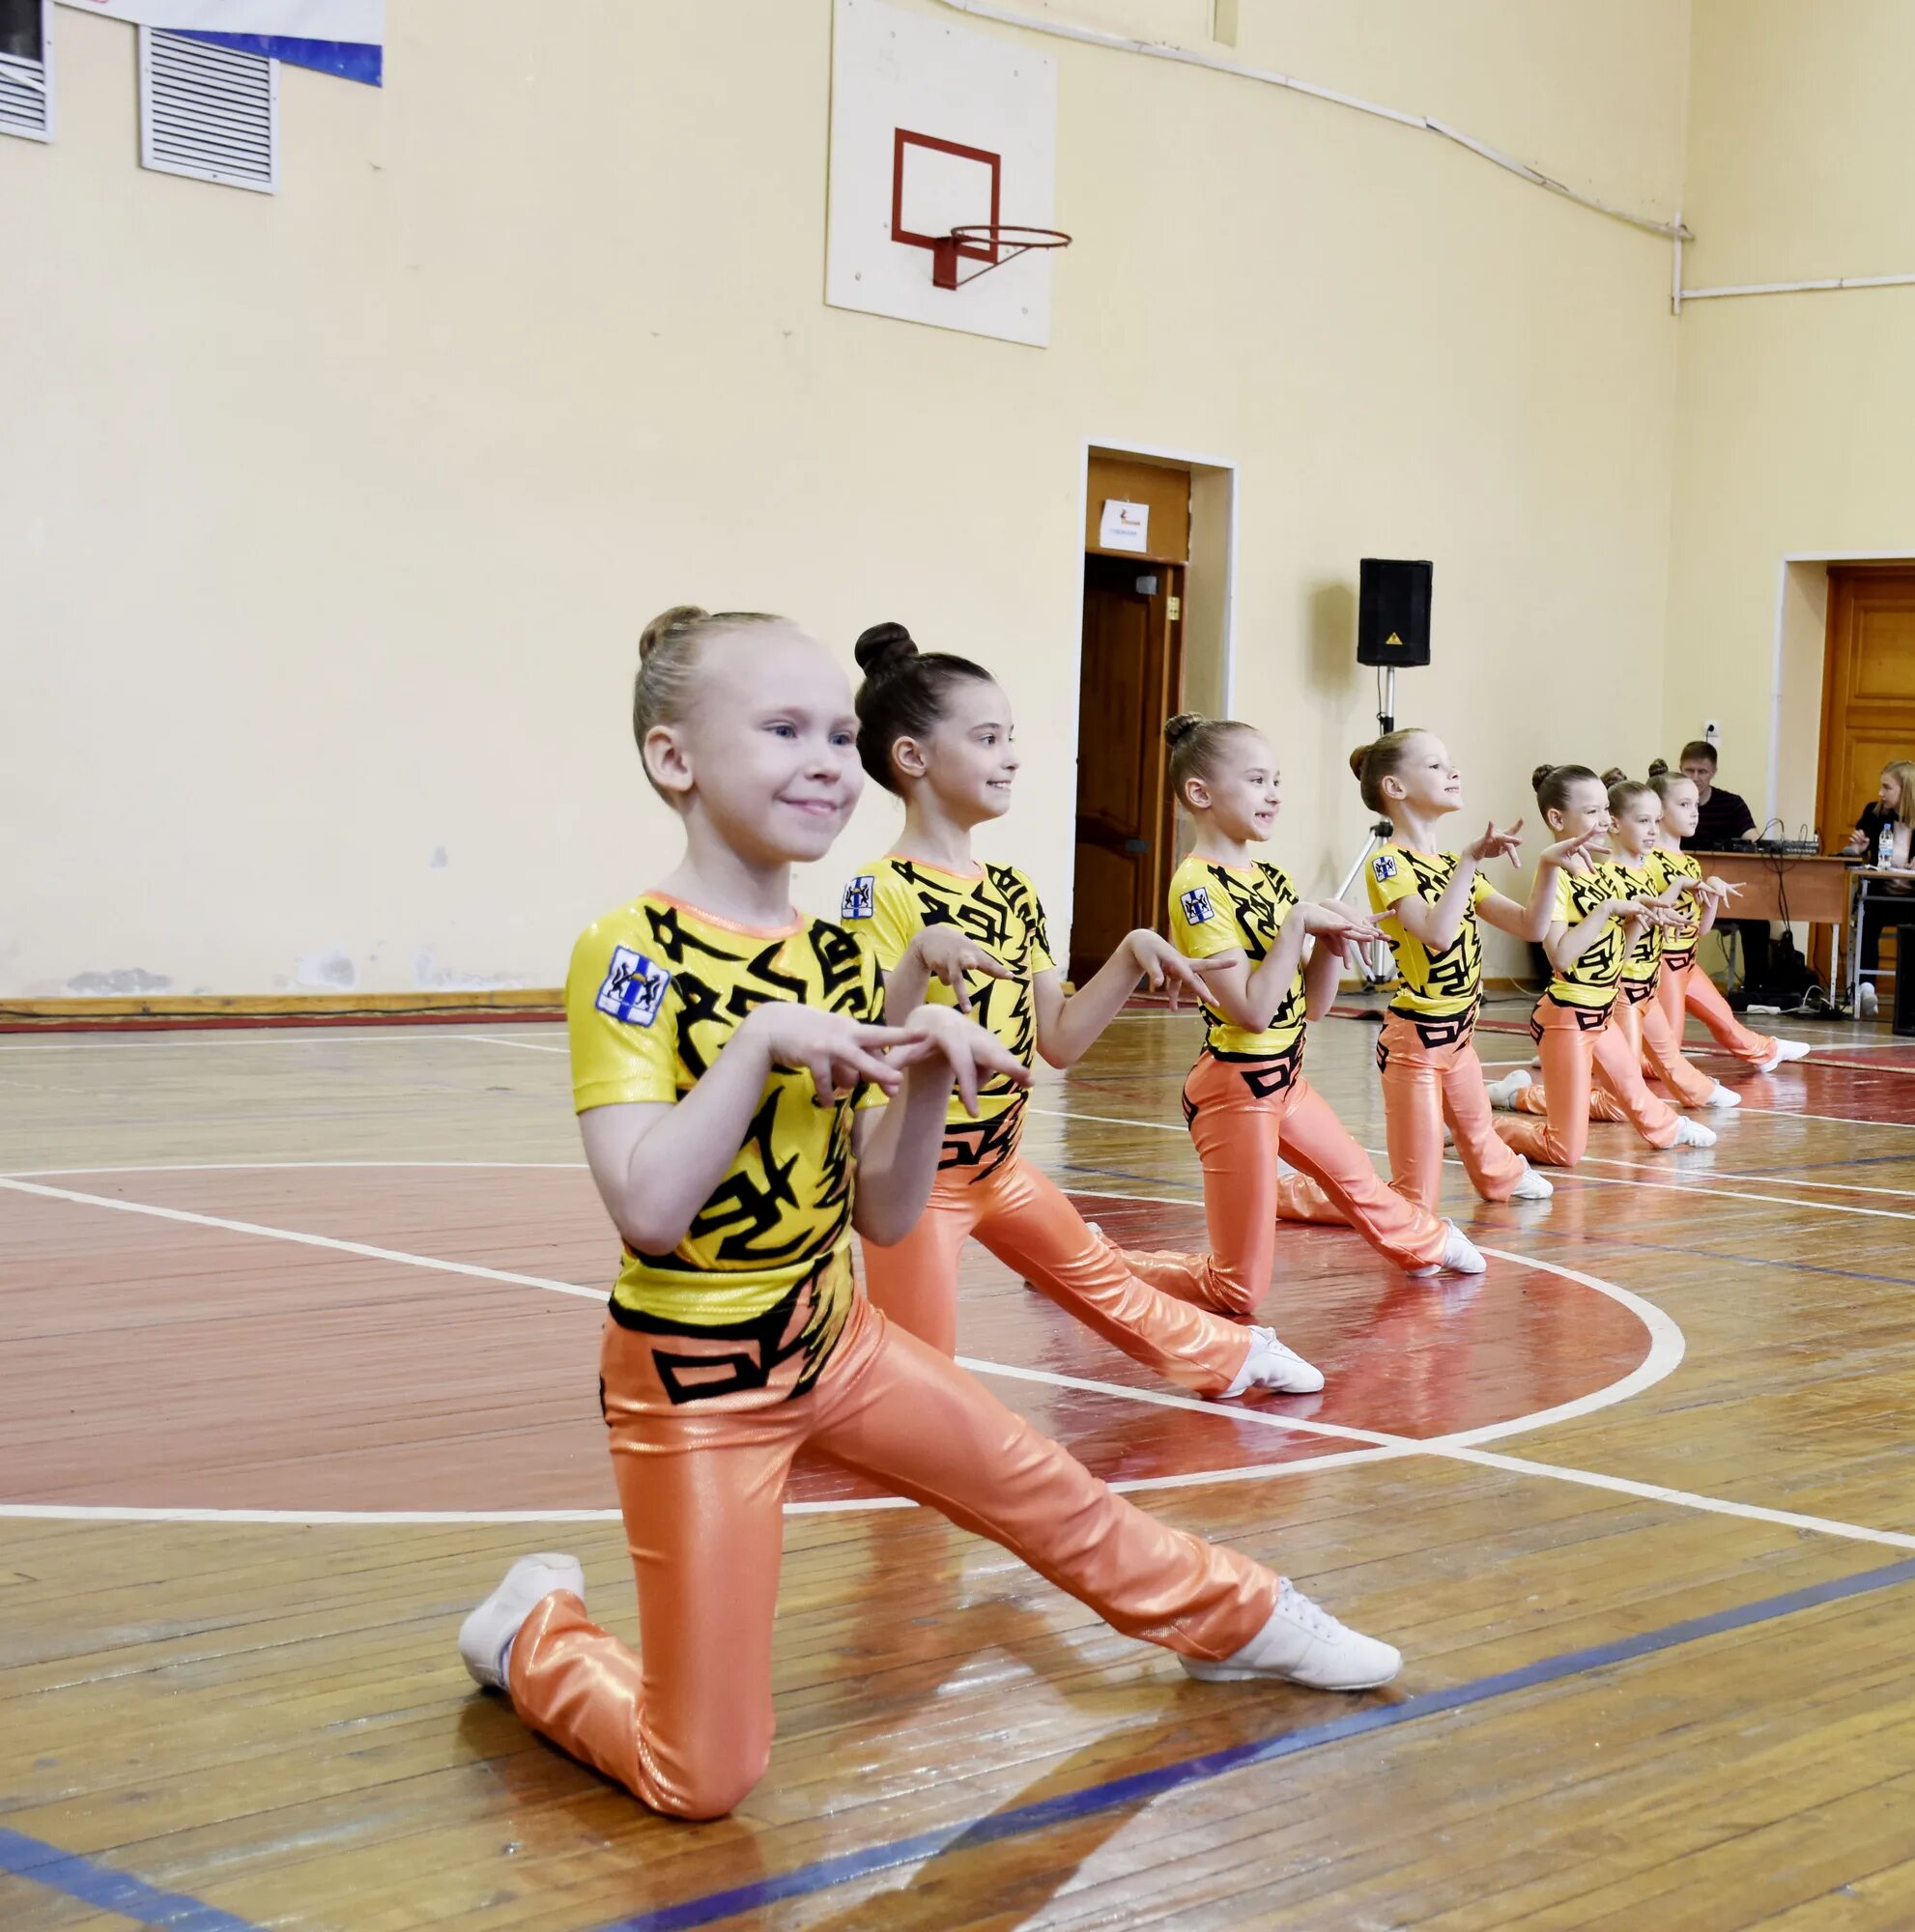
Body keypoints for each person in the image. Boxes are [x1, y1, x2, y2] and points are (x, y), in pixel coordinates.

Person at [457, 608, 1397, 1824]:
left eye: (839, 735)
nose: (823, 760)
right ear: (673, 759)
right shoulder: (629, 951)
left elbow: (888, 1216)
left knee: (1055, 1492)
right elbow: (646, 1208)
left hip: (836, 1337)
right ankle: (535, 1626)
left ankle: (1241, 1616)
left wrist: (927, 1071)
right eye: (782, 729)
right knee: (706, 1776)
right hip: (694, 1383)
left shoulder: (841, 962)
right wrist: (755, 1047)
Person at [839, 623, 1322, 1401]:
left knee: (1105, 1282)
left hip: (1000, 1164)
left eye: (1012, 737)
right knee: (919, 1391)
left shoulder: (1013, 890)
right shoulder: (881, 890)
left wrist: (1132, 952)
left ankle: (1231, 1355)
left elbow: (1057, 1042)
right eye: (989, 738)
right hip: (919, 1182)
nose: (1014, 756)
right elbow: (862, 1054)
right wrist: (915, 960)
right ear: (912, 758)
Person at [1162, 714, 1487, 1314]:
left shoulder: (1269, 876)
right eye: (1257, 780)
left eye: (1277, 780)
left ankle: (1431, 1240)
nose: (1275, 794)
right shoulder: (1196, 888)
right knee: (1237, 1289)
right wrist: (1297, 924)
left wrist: (1333, 946)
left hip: (1285, 1082)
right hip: (1235, 1088)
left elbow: (1310, 1008)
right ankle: (1094, 1264)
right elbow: (1254, 1012)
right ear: (1200, 795)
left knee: (1363, 1185)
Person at [1276, 728, 1588, 1225]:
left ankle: (1502, 1173)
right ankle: (1285, 1194)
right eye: (1436, 766)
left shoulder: (1451, 864)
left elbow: (1530, 925)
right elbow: (1437, 935)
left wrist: (1548, 866)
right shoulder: (1388, 863)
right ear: (1395, 788)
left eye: (1450, 763)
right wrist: (1468, 860)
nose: (1453, 772)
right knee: (1412, 1203)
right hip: (1417, 1043)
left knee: (1479, 1134)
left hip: (1459, 1035)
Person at [1485, 764, 1718, 1163]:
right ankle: (1481, 1130)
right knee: (1565, 1150)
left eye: (1606, 810)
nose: (1605, 820)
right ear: (1557, 819)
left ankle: (1667, 1127)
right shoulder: (1555, 878)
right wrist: (1609, 909)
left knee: (1632, 1094)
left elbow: (1616, 962)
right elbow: (1560, 956)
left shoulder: (1599, 871)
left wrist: (1637, 924)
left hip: (1602, 1009)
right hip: (1568, 1017)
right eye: (1593, 812)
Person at [1648, 766, 1811, 1072]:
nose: (1694, 813)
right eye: (1683, 805)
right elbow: (1648, 919)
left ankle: (1766, 1051)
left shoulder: (1691, 863)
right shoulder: (1647, 860)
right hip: (1660, 966)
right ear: (1657, 811)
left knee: (1723, 1016)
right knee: (1664, 1058)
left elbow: (1699, 931)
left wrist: (1711, 899)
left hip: (1686, 962)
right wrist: (1678, 886)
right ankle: (1591, 1060)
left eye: (1696, 804)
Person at [1839, 758, 1915, 1018]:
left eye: (1887, 787)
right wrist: (1855, 852)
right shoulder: (1874, 813)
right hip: (1881, 897)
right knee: (1867, 917)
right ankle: (1867, 989)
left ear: (1907, 790)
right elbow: (1850, 859)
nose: (1880, 793)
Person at [1674, 740, 1773, 1003]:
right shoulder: (1669, 804)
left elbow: (1754, 841)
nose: (1695, 778)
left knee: (1757, 921)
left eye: (1702, 772)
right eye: (1689, 771)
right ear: (1680, 768)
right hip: (1678, 889)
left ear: (1714, 771)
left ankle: (1755, 991)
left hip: (1722, 890)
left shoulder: (1731, 804)